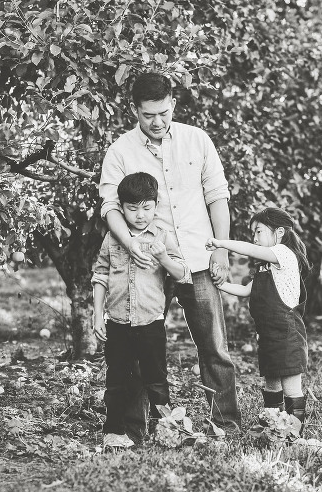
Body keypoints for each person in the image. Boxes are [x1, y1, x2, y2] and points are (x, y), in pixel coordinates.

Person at [99, 72, 241, 441]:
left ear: (173, 104)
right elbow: (110, 207)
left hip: (197, 260)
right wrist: (130, 244)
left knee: (214, 347)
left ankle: (224, 424)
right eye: (148, 115)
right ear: (134, 110)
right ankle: (138, 429)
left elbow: (217, 196)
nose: (157, 122)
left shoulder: (198, 140)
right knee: (137, 349)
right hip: (145, 267)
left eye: (163, 112)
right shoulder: (120, 151)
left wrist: (221, 249)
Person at [91, 172, 191, 450]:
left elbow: (182, 272)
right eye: (132, 209)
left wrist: (162, 257)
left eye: (146, 208)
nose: (140, 215)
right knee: (117, 380)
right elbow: (100, 276)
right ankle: (114, 431)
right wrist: (97, 314)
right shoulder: (113, 239)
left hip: (150, 323)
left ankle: (168, 431)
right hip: (118, 323)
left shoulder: (161, 235)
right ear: (121, 208)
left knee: (156, 379)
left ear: (155, 206)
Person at [205, 207, 311, 428]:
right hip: (268, 334)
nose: (255, 238)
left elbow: (249, 249)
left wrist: (221, 243)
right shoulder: (266, 267)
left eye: (259, 231)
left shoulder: (284, 254)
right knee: (272, 384)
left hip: (288, 334)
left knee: (291, 387)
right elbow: (245, 291)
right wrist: (219, 284)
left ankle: (293, 432)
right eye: (253, 234)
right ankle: (273, 426)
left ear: (279, 232)